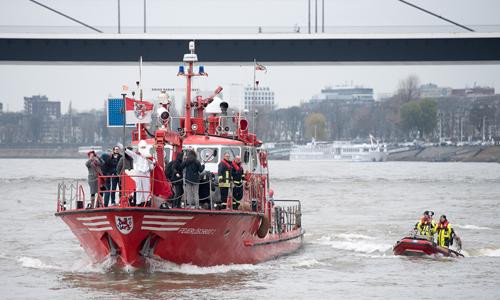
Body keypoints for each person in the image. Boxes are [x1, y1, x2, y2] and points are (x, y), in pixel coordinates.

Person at [125, 140, 154, 206]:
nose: (143, 149)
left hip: (146, 173)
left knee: (146, 187)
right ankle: (139, 202)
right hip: (138, 173)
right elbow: (130, 153)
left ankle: (147, 201)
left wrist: (152, 164)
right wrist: (125, 149)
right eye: (142, 147)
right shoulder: (136, 155)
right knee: (139, 188)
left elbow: (152, 166)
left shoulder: (149, 157)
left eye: (144, 147)